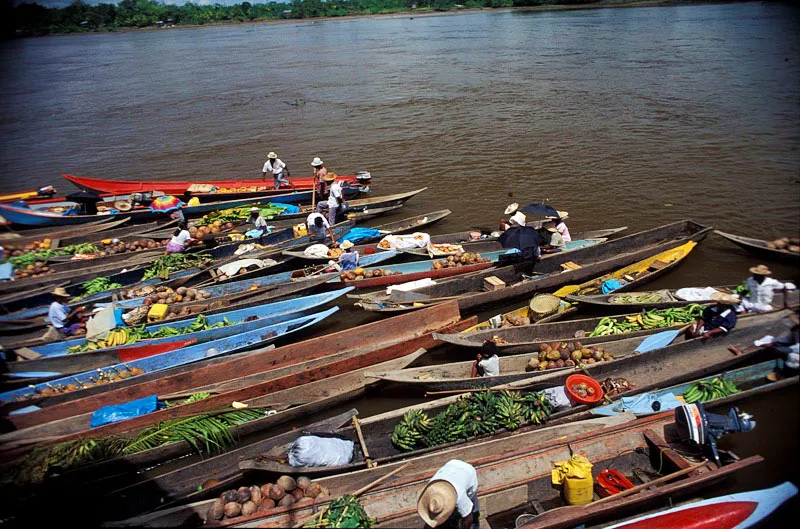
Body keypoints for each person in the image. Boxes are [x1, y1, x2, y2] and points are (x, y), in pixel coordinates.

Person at [417, 459, 479, 529]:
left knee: (473, 515)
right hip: (451, 465)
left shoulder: (460, 497)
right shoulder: (429, 491)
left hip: (468, 472)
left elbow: (468, 518)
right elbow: (429, 523)